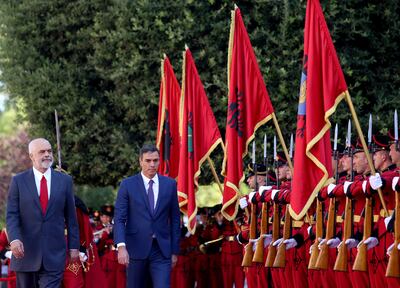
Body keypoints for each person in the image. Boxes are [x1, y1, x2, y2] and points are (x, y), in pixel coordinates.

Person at [6, 138, 79, 288]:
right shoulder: (18, 181)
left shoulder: (65, 181)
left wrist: (74, 246)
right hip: (25, 254)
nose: (47, 155)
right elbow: (12, 214)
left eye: (49, 151)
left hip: (54, 255)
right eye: (42, 152)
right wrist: (14, 239)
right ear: (31, 156)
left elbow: (71, 217)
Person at [114, 144, 180, 288]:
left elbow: (175, 219)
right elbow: (119, 218)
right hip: (135, 249)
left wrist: (174, 250)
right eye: (148, 160)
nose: (152, 164)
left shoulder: (169, 185)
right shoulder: (127, 185)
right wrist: (121, 246)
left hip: (161, 251)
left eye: (155, 160)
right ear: (140, 161)